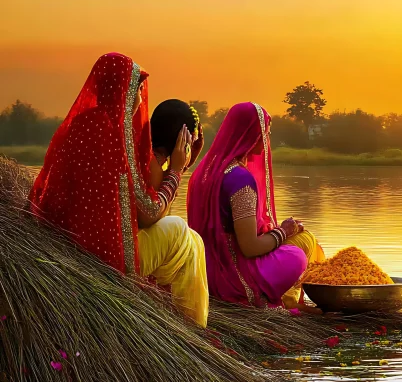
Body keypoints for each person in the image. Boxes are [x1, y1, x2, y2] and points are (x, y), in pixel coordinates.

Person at [28, 53, 209, 327]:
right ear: (122, 90)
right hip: (110, 258)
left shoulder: (81, 125)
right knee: (182, 233)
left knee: (191, 239)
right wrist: (176, 171)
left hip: (73, 248)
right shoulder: (115, 134)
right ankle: (193, 327)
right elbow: (149, 214)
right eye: (136, 88)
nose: (139, 96)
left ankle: (183, 322)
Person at [187, 102, 325, 309]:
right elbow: (250, 247)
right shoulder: (240, 179)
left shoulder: (204, 172)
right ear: (252, 135)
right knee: (297, 255)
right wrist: (283, 231)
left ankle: (289, 295)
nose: (267, 140)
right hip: (234, 278)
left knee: (305, 238)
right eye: (266, 133)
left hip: (205, 270)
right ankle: (284, 299)